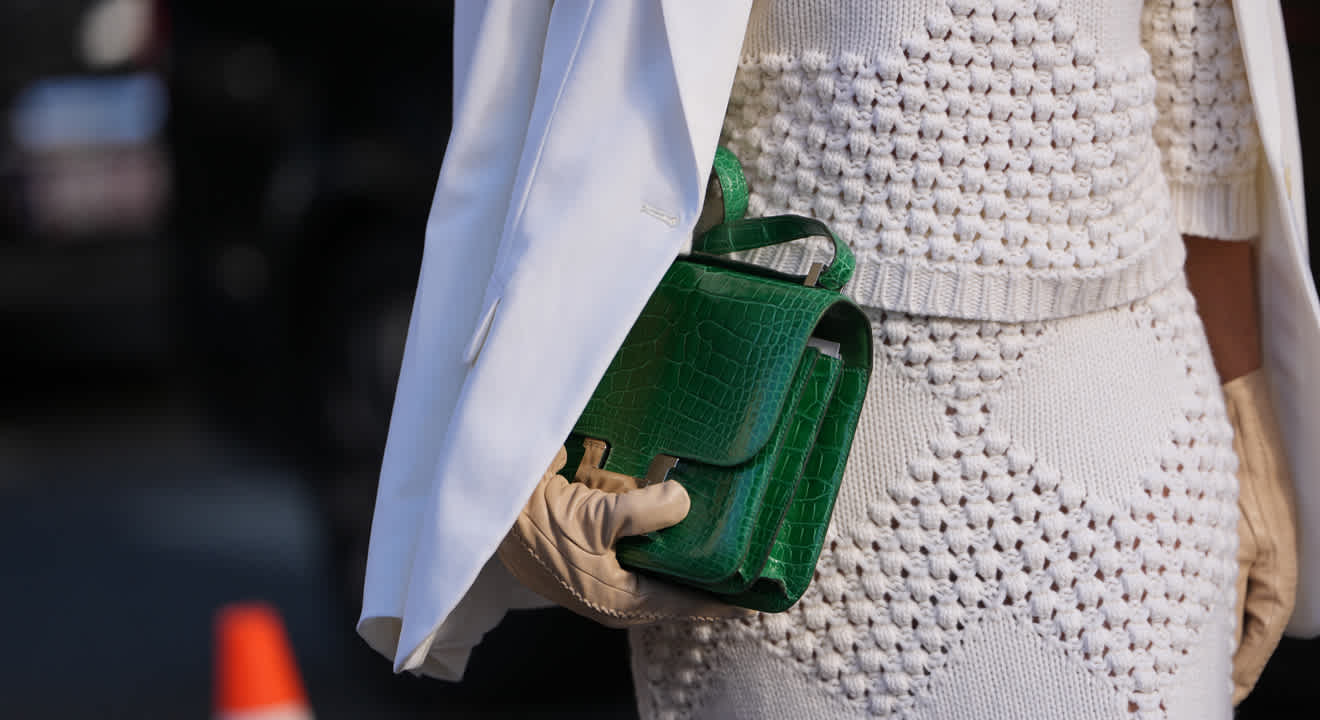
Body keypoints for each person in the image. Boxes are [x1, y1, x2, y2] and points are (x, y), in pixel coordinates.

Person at [359, 1, 1318, 717]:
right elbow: (546, 63)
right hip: (787, 456)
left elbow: (1200, 72)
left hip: (1129, 450)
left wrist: (1245, 396)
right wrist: (532, 433)